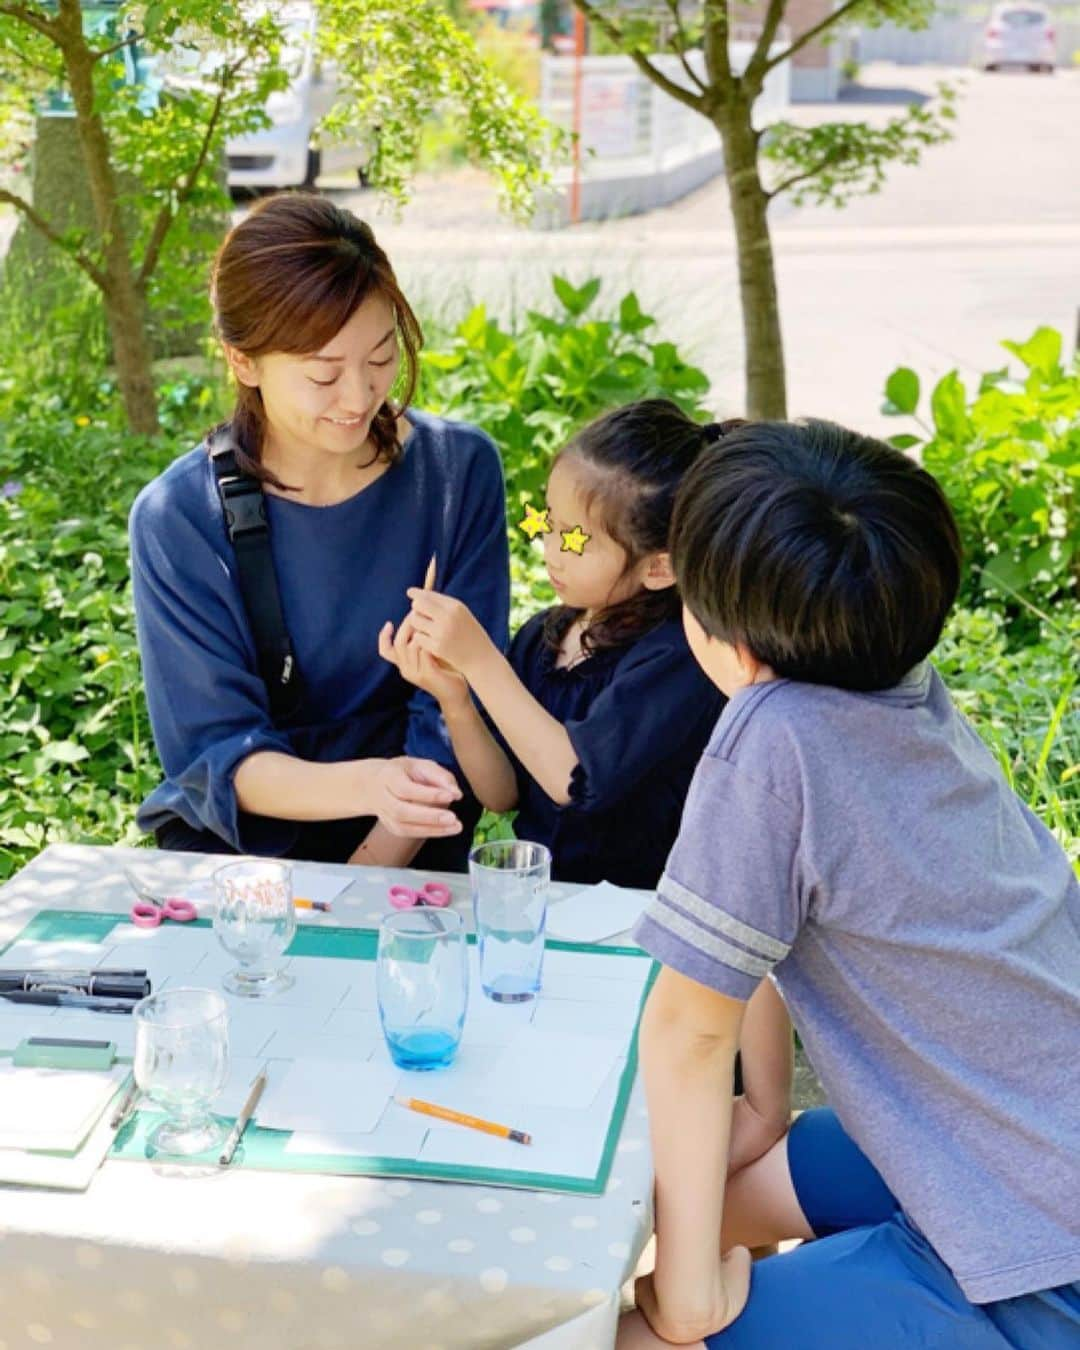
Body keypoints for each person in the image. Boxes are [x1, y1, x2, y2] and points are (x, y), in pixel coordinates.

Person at [618, 419, 1080, 1347]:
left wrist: (692, 1302)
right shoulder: (901, 683)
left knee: (624, 1335)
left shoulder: (774, 739)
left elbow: (687, 1030)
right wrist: (759, 1119)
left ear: (731, 642)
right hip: (995, 1119)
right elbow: (754, 952)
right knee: (687, 1212)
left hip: (1040, 1245)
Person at [129, 193, 509, 868]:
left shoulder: (457, 474)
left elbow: (459, 704)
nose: (360, 398)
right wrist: (366, 788)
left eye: (382, 357)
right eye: (323, 375)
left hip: (414, 838)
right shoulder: (178, 519)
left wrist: (367, 872)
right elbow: (218, 751)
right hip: (243, 863)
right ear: (243, 362)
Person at [380, 400, 729, 888]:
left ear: (658, 567)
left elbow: (573, 779)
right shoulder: (546, 635)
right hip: (547, 904)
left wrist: (481, 661)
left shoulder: (676, 657)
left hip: (636, 918)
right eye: (549, 523)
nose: (549, 550)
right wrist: (455, 697)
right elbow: (502, 794)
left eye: (575, 540)